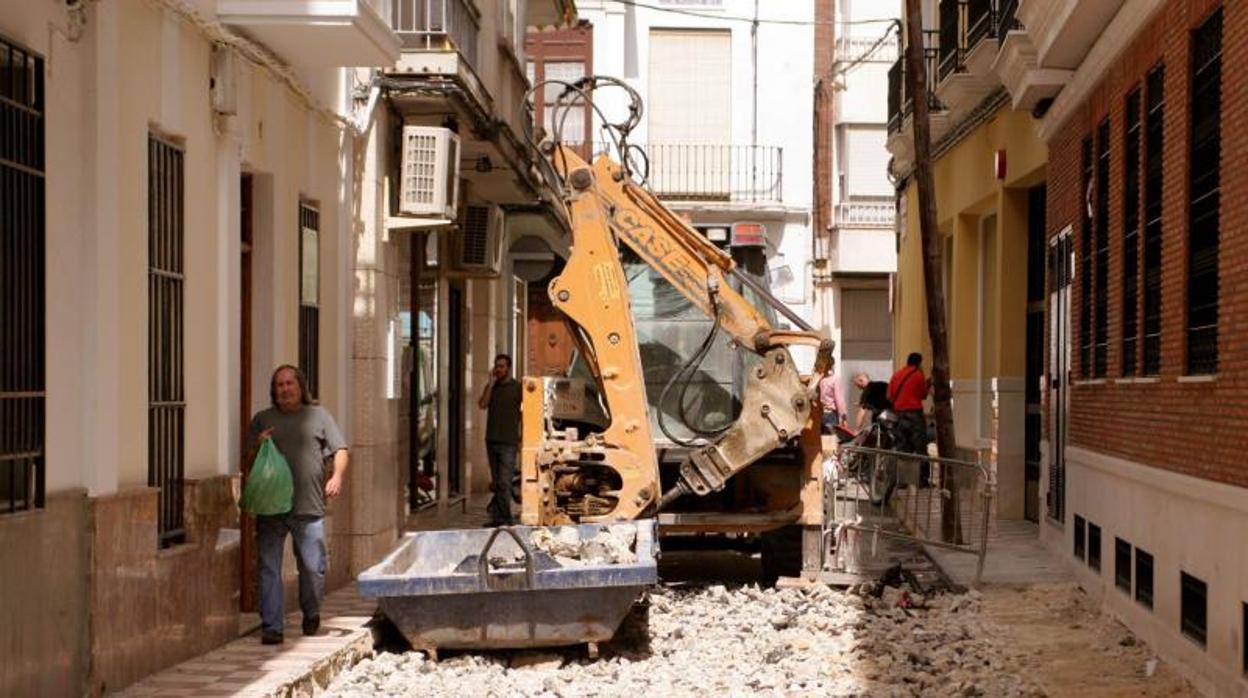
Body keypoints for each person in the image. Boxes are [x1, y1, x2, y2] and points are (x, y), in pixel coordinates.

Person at [246, 365, 348, 645]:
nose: (285, 389)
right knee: (268, 566)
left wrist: (337, 476)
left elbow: (340, 450)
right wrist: (259, 445)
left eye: (290, 383)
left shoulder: (319, 416)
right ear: (273, 391)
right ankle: (272, 626)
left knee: (313, 566)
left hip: (309, 506)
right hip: (271, 507)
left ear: (301, 387)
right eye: (279, 385)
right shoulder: (262, 419)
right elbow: (250, 461)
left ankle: (312, 611)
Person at [478, 354, 522, 526]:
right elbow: (482, 405)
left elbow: (525, 412)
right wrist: (490, 383)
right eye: (497, 366)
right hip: (491, 440)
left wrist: (521, 436)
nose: (498, 369)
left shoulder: (517, 388)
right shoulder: (492, 387)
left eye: (502, 366)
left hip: (509, 442)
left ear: (508, 368)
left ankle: (505, 519)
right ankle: (498, 517)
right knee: (498, 483)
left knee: (504, 482)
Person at [888, 352, 931, 456]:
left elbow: (889, 396)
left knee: (902, 447)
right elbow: (923, 395)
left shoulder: (897, 375)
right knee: (920, 446)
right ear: (919, 363)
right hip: (914, 414)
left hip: (898, 414)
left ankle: (903, 471)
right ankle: (922, 471)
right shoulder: (918, 374)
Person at [816, 359, 849, 434]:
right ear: (832, 365)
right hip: (832, 414)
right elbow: (839, 399)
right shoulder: (835, 379)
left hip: (822, 414)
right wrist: (844, 417)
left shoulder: (821, 380)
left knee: (824, 439)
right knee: (832, 440)